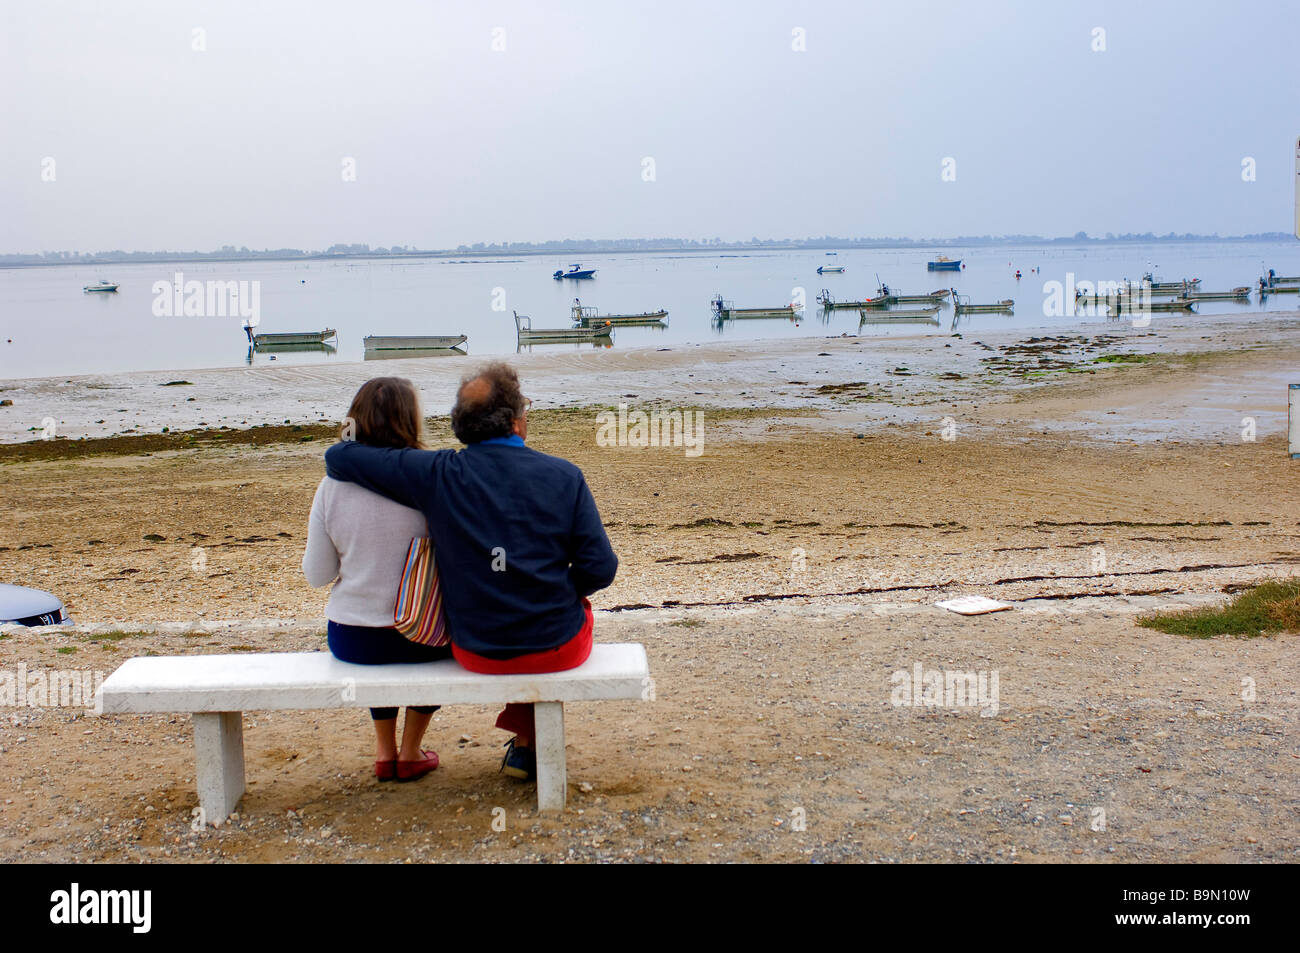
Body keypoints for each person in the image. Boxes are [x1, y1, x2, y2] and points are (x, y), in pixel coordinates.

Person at [323, 361, 618, 781]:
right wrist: (556, 589)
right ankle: (525, 744)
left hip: (475, 648)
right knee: (559, 611)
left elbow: (340, 455)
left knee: (524, 615)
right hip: (555, 646)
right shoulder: (564, 476)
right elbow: (600, 569)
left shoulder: (438, 474)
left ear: (461, 426)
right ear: (517, 423)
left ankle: (524, 746)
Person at [303, 377, 447, 783]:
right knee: (444, 639)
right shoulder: (431, 481)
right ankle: (411, 750)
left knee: (377, 643)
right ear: (411, 421)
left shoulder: (331, 487)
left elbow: (317, 575)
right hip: (424, 635)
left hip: (354, 638)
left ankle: (385, 752)